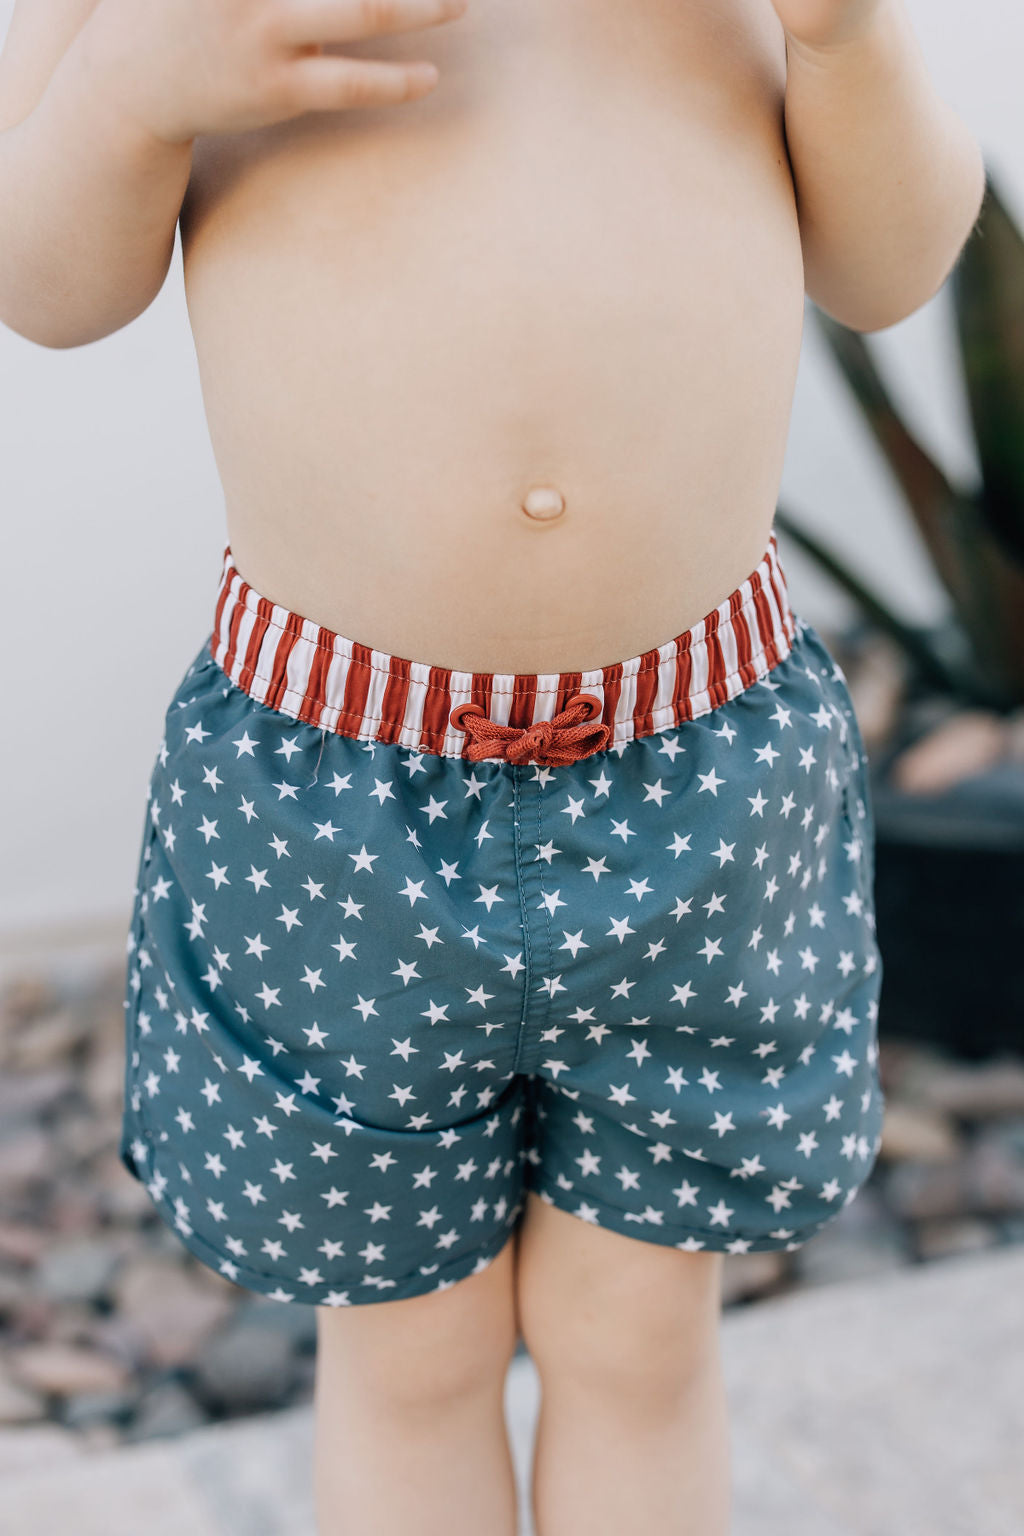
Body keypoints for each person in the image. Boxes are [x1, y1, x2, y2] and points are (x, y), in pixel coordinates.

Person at [0, 1, 985, 1531]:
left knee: (640, 1337)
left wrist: (847, 41)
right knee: (409, 1353)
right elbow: (43, 283)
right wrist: (134, 89)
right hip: (336, 812)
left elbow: (894, 264)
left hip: (698, 780)